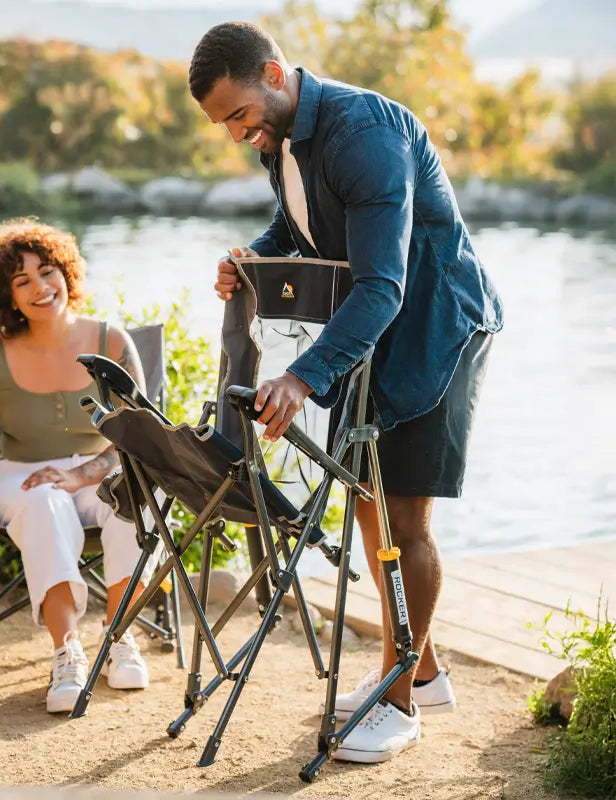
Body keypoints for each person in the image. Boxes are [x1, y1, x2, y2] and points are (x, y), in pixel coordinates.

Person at [188, 23, 503, 763]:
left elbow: (384, 285)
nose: (237, 134)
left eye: (238, 114)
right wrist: (254, 258)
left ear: (273, 71)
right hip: (375, 331)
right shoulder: (287, 135)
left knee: (403, 518)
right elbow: (299, 223)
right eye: (225, 124)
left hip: (435, 329)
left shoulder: (362, 132)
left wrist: (302, 378)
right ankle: (421, 674)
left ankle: (398, 705)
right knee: (365, 501)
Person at [0, 219, 154, 713]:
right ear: (8, 297)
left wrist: (82, 474)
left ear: (66, 272)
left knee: (132, 494)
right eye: (22, 281)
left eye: (47, 272)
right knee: (44, 500)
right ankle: (67, 653)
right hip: (18, 477)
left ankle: (119, 639)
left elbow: (139, 435)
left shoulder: (112, 342)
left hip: (98, 473)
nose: (41, 288)